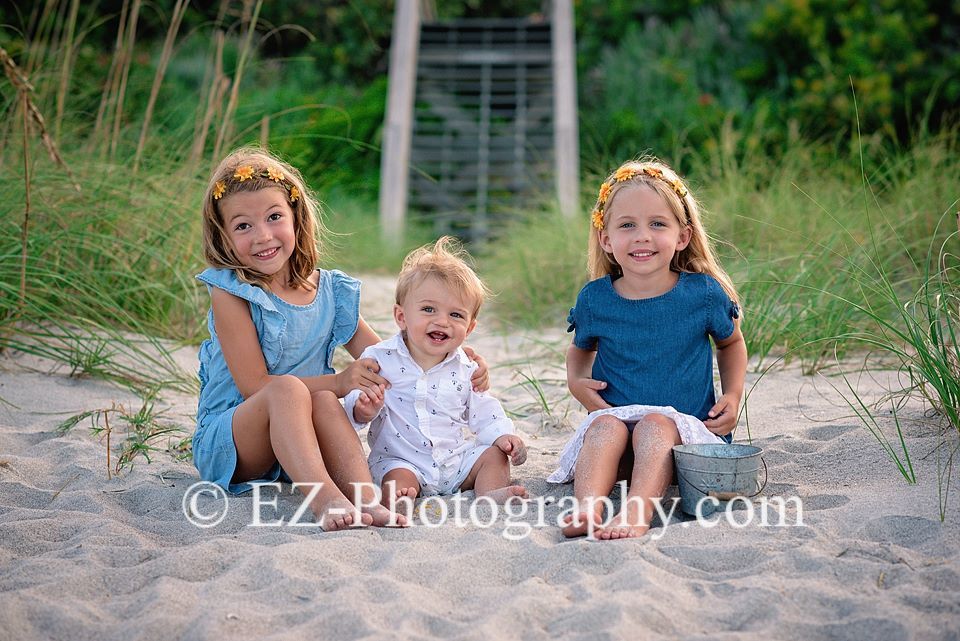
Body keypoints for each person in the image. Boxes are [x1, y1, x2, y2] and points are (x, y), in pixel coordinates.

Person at [193, 148, 489, 531]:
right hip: (235, 441)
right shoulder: (231, 293)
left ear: (296, 218)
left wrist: (452, 357)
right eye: (243, 226)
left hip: (300, 450)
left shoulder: (331, 291)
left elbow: (391, 359)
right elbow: (254, 386)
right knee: (289, 391)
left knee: (323, 402)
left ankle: (366, 500)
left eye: (274, 217)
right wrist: (339, 382)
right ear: (224, 235)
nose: (263, 235)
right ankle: (327, 500)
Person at [547, 158, 748, 540]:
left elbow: (731, 343)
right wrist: (577, 382)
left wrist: (733, 395)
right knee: (605, 426)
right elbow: (579, 351)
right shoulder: (596, 300)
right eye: (627, 226)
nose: (642, 236)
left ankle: (637, 513)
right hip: (619, 445)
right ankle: (589, 506)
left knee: (656, 425)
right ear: (607, 240)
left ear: (682, 236)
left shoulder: (703, 294)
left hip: (683, 440)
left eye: (657, 224)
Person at [343, 237, 528, 511]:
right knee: (396, 479)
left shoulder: (466, 367)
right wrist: (363, 409)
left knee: (493, 455)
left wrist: (503, 436)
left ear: (470, 327)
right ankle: (400, 500)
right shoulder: (379, 359)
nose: (442, 321)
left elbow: (483, 409)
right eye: (428, 309)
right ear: (401, 316)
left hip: (454, 461)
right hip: (402, 459)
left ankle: (490, 493)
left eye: (456, 315)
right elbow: (353, 407)